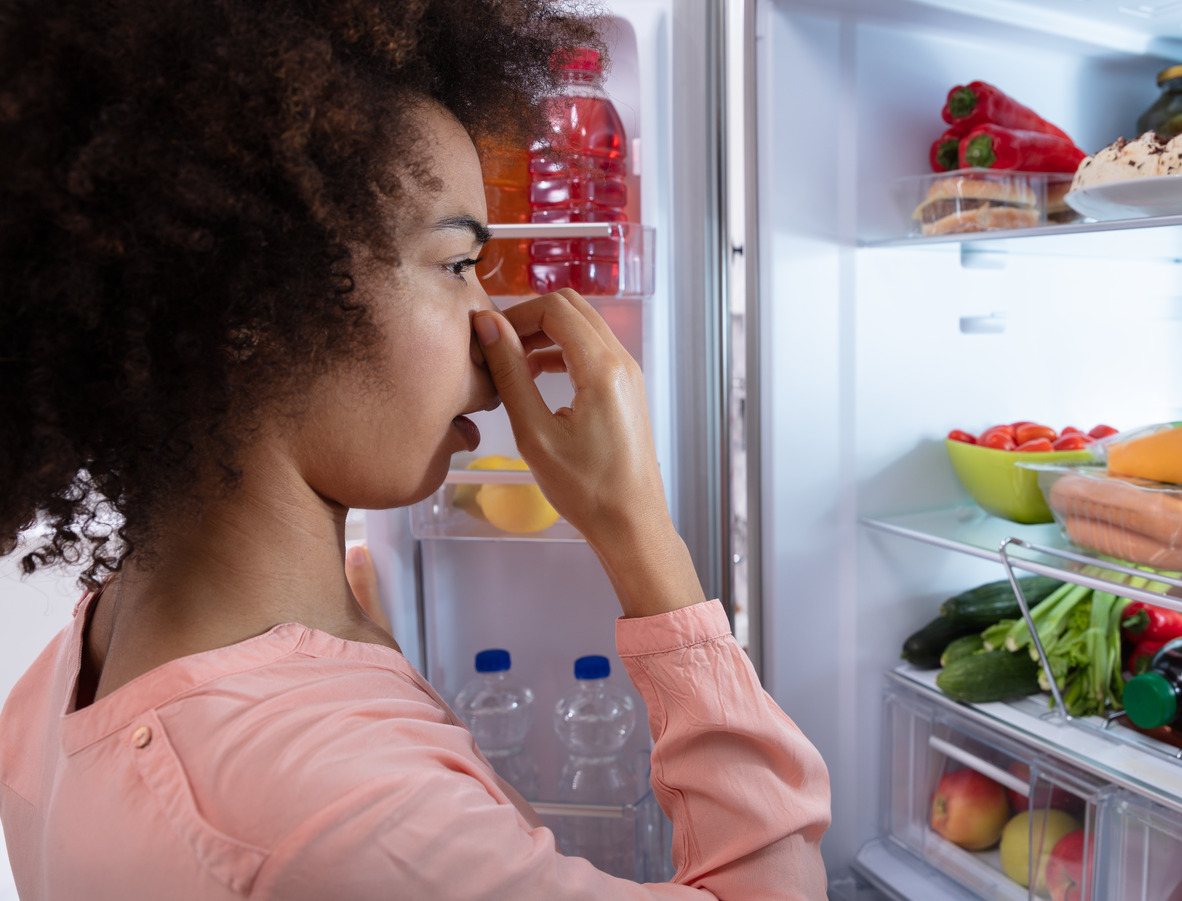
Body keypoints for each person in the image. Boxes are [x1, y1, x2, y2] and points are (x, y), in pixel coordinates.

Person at [0, 1, 830, 898]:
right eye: (456, 264)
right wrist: (642, 536)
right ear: (252, 315)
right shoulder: (344, 821)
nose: (491, 324)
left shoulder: (68, 670)